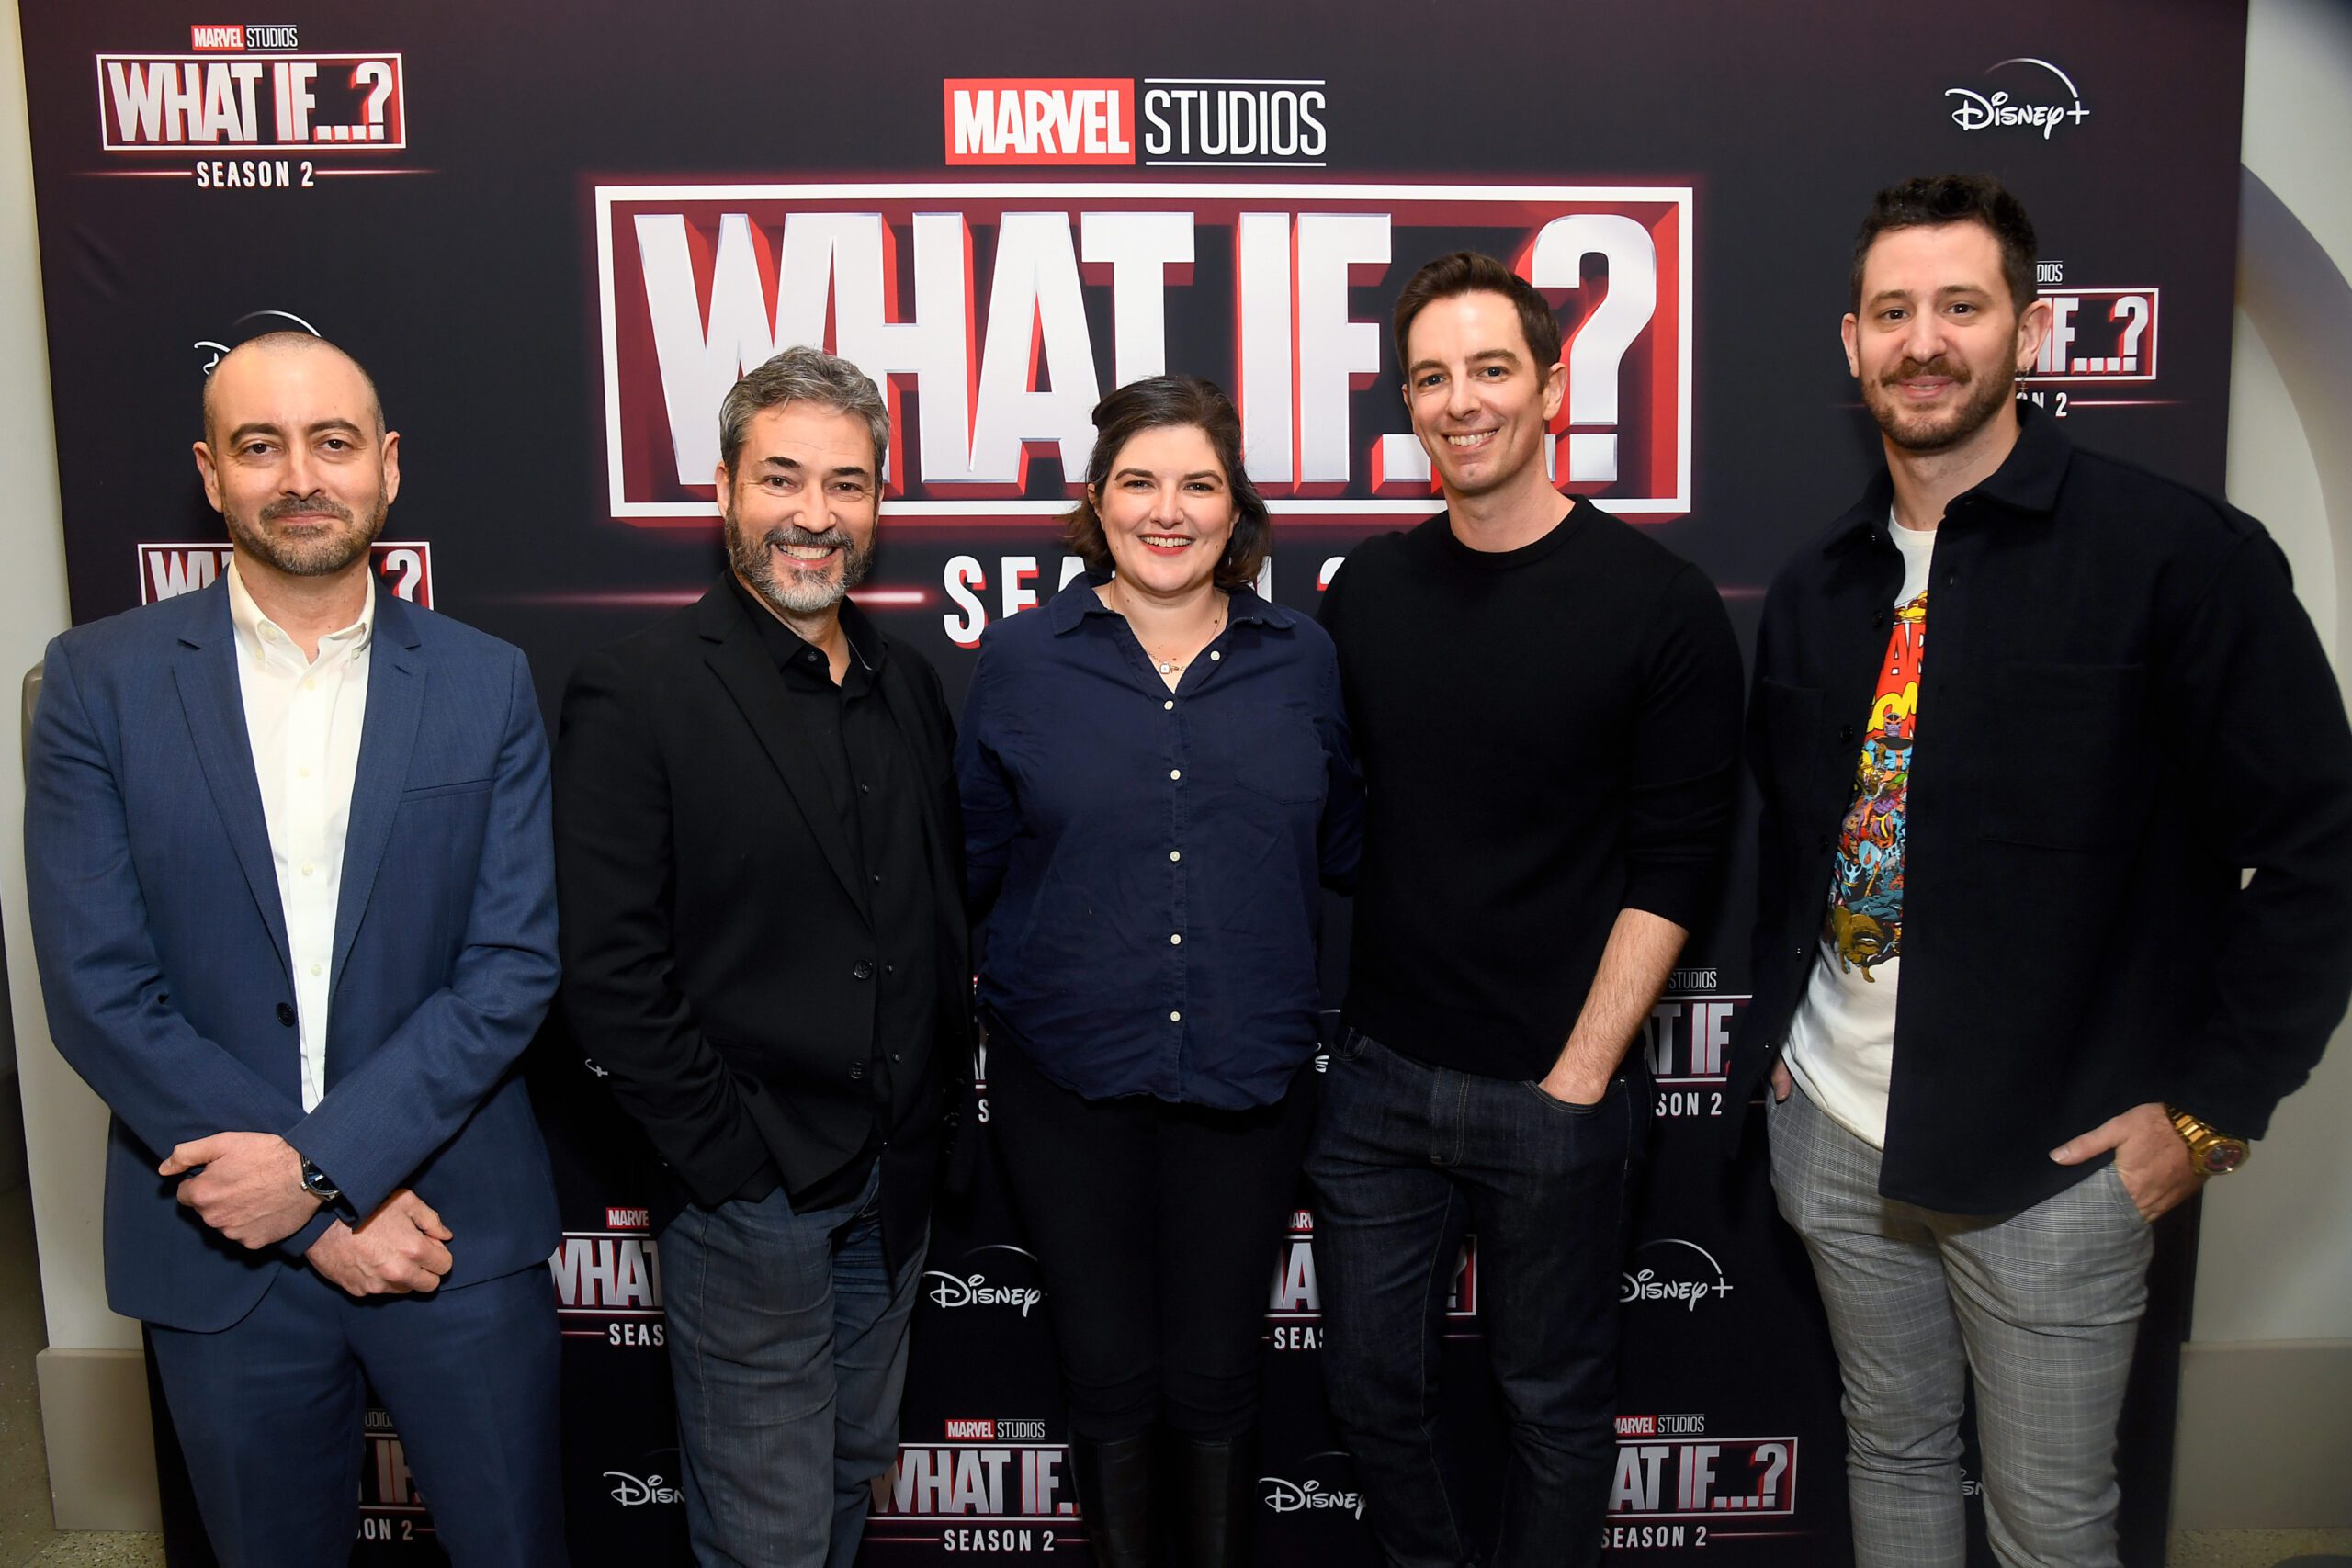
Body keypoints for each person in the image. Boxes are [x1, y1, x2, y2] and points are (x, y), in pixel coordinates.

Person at [1736, 173, 2352, 1566]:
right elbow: (1796, 841)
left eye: (1961, 305)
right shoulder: (1823, 584)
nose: (1924, 341)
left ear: (2029, 327)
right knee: (1892, 1458)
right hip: (1834, 1133)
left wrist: (2205, 1115)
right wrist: (1785, 1046)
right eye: (1892, 312)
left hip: (2057, 1166)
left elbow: (2321, 852)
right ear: (1852, 346)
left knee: (2051, 1529)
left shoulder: (2175, 560)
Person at [24, 331, 565, 1563]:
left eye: (331, 444)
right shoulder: (96, 685)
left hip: (451, 1233)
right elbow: (96, 987)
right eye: (260, 447)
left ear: (385, 467)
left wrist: (322, 1173)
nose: (299, 476)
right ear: (211, 475)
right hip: (219, 1248)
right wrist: (317, 1213)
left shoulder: (486, 684)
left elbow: (513, 965)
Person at [1308, 254, 1744, 1567]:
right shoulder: (1365, 595)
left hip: (1556, 1090)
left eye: (1491, 369)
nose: (1462, 402)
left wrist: (1578, 1078)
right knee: (1372, 1393)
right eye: (1431, 378)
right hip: (1379, 1082)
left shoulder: (1658, 605)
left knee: (1551, 1405)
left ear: (1554, 384)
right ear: (1407, 404)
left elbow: (1678, 864)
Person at [554, 345, 971, 1567]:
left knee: (846, 1480)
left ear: (878, 506)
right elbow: (606, 971)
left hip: (892, 1187)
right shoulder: (640, 689)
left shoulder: (908, 687)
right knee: (766, 1533)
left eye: (847, 484)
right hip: (754, 1199)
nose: (814, 515)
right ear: (725, 491)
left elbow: (928, 922)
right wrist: (732, 1163)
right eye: (782, 478)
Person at [956, 374, 1363, 1567]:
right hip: (1064, 1085)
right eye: (1140, 481)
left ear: (1238, 511)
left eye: (1200, 484)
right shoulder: (1025, 661)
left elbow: (1342, 846)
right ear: (1096, 501)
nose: (1168, 510)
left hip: (1248, 1081)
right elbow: (971, 860)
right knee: (1108, 1377)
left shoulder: (1306, 662)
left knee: (1218, 1374)